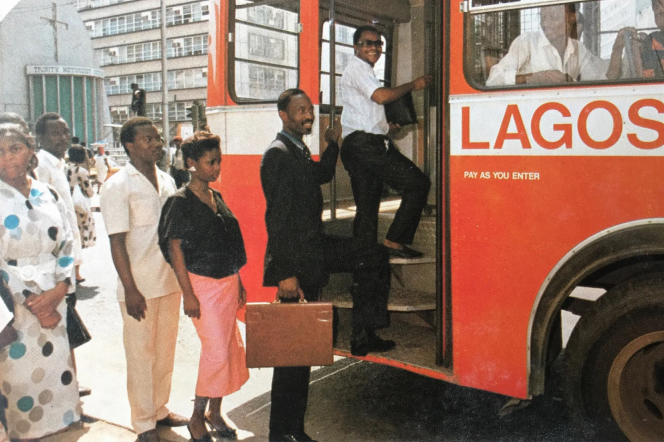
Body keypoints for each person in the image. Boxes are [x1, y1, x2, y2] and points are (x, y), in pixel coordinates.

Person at [261, 89, 393, 442]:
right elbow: (276, 219)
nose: (307, 115)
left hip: (313, 251)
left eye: (309, 110)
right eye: (300, 110)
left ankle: (364, 334)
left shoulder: (297, 150)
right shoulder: (277, 155)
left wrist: (333, 142)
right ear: (283, 115)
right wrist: (284, 273)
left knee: (373, 255)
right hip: (296, 261)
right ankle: (281, 433)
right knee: (292, 355)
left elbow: (320, 175)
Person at [100, 117, 187, 442]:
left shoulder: (166, 180)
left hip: (169, 283)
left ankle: (160, 410)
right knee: (140, 356)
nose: (157, 143)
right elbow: (116, 242)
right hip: (138, 288)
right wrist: (131, 289)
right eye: (148, 139)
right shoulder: (118, 185)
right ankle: (143, 424)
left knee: (165, 353)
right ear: (129, 145)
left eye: (157, 138)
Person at [159, 132, 249, 442]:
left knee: (227, 348)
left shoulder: (217, 197)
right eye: (210, 162)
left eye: (218, 161)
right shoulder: (179, 202)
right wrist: (188, 294)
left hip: (226, 283)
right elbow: (175, 250)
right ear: (191, 164)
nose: (217, 168)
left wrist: (239, 283)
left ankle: (214, 411)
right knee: (215, 352)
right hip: (201, 286)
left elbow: (229, 244)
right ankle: (197, 416)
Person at [0, 121, 81, 441]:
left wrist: (60, 289)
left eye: (15, 149)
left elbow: (67, 243)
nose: (6, 158)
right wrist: (32, 301)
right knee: (19, 379)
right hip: (15, 308)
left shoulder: (46, 192)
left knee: (54, 375)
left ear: (31, 152)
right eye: (0, 152)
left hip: (54, 300)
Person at [340, 25, 432, 259]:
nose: (374, 47)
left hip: (359, 144)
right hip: (365, 146)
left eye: (378, 44)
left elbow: (367, 110)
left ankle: (364, 264)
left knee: (367, 209)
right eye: (367, 43)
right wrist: (414, 84)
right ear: (356, 47)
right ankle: (394, 241)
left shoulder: (363, 71)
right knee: (417, 183)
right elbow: (381, 96)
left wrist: (386, 125)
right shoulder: (358, 68)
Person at [34, 113, 91, 396]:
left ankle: (70, 385)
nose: (63, 138)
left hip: (67, 262)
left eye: (66, 132)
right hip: (55, 265)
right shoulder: (41, 166)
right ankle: (66, 387)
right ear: (40, 138)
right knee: (61, 327)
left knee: (67, 326)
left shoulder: (58, 164)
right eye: (56, 134)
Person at [486, 5, 625, 86]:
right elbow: (493, 79)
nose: (546, 24)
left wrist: (617, 48)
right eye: (543, 18)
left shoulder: (577, 49)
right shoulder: (527, 42)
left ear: (571, 18)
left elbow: (605, 80)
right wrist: (534, 78)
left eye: (553, 18)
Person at [66, 145, 97, 283]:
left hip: (66, 205)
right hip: (79, 210)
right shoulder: (81, 171)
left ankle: (69, 271)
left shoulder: (63, 168)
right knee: (77, 239)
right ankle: (77, 273)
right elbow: (89, 190)